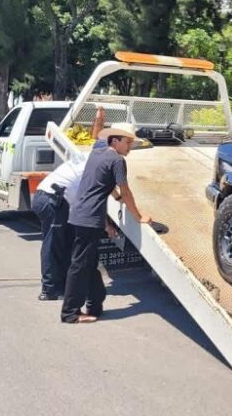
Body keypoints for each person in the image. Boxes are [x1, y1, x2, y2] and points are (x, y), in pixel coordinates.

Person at [61, 122, 151, 324]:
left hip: (80, 213)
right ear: (115, 141)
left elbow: (103, 181)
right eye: (127, 142)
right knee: (80, 265)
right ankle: (69, 313)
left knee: (90, 264)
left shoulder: (98, 151)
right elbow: (125, 190)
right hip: (90, 218)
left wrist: (99, 118)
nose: (130, 147)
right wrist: (138, 216)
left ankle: (95, 305)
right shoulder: (117, 161)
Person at [32, 108, 109, 301]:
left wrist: (99, 117)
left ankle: (63, 285)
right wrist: (107, 223)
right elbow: (97, 197)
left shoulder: (96, 153)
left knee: (65, 243)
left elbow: (96, 135)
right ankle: (49, 289)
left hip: (58, 199)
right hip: (52, 198)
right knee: (53, 244)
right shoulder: (98, 164)